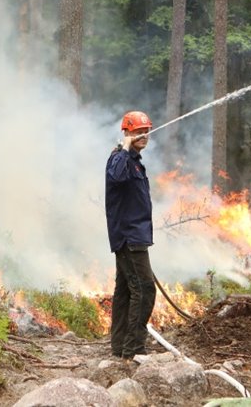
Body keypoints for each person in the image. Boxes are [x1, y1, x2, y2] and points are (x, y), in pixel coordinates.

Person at [105, 110, 156, 360]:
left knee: (125, 292)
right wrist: (125, 147)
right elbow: (116, 175)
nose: (143, 135)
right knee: (144, 290)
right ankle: (135, 349)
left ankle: (120, 349)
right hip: (129, 238)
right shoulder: (119, 158)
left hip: (135, 237)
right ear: (126, 132)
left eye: (146, 131)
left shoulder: (134, 161)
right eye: (137, 131)